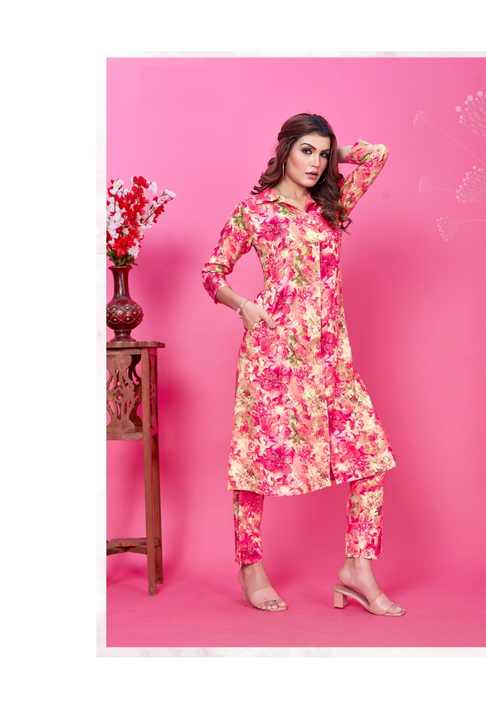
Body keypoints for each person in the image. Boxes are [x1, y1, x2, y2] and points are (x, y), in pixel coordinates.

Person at [200, 113, 405, 616]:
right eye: (306, 150)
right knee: (254, 465)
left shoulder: (330, 207)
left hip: (332, 359)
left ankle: (357, 570)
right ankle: (251, 568)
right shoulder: (255, 212)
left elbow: (378, 155)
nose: (315, 163)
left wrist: (338, 156)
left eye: (322, 153)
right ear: (285, 150)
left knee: (371, 458)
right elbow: (212, 272)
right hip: (273, 358)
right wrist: (243, 306)